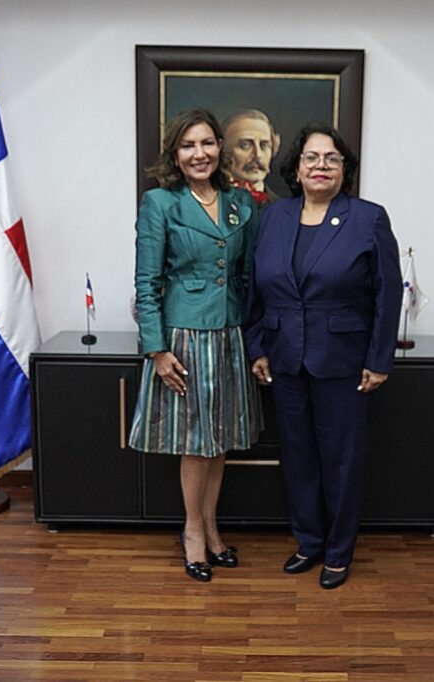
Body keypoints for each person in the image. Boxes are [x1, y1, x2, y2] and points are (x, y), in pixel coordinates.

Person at [245, 123, 403, 589]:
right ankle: (309, 541)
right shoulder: (273, 217)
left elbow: (388, 292)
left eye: (331, 159)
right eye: (311, 158)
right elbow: (255, 288)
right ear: (296, 168)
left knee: (341, 460)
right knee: (298, 458)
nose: (321, 166)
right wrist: (257, 346)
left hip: (345, 362)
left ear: (343, 169)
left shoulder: (368, 218)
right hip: (285, 360)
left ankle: (338, 551)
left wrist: (379, 359)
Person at [129, 108, 261, 583]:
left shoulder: (240, 203)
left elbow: (247, 276)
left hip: (230, 336)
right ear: (175, 153)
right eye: (188, 145)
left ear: (219, 148)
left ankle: (211, 526)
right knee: (196, 443)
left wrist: (255, 338)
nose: (199, 153)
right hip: (184, 339)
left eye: (206, 143)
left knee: (219, 441)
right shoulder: (160, 202)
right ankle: (192, 532)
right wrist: (157, 350)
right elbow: (147, 283)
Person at [222, 109, 281, 205]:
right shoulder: (207, 205)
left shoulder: (283, 209)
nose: (258, 155)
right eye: (245, 145)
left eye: (264, 145)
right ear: (224, 151)